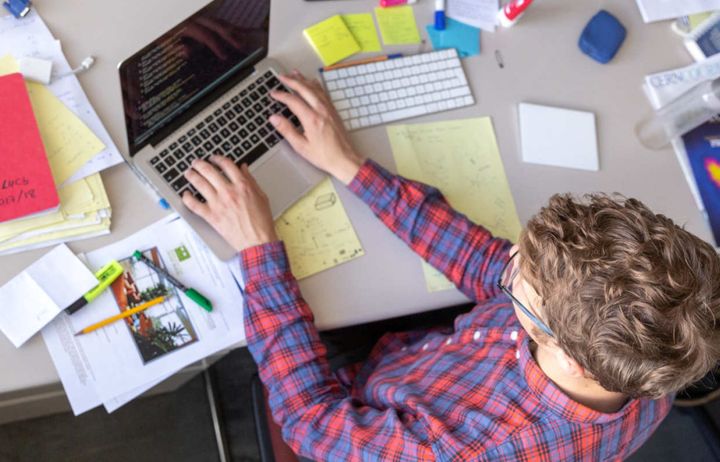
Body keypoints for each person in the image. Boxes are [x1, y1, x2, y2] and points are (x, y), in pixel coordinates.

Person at [180, 71, 720, 461]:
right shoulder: (656, 342)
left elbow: (308, 421)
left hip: (358, 394)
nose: (504, 258)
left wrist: (258, 250)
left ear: (568, 355)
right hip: (423, 358)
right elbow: (483, 263)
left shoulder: (456, 449)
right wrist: (348, 165)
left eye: (520, 282)